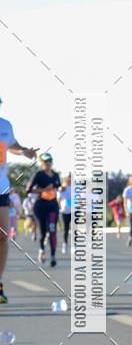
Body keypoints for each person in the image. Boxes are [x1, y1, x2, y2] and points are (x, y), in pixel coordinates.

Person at [0, 112, 37, 302]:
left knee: (3, 235)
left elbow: (11, 145)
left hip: (1, 187)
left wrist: (23, 151)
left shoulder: (5, 125)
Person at [26, 153, 61, 267]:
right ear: (42, 162)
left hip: (53, 206)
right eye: (46, 161)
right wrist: (44, 189)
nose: (48, 163)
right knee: (43, 231)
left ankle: (53, 256)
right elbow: (29, 189)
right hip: (41, 206)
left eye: (50, 161)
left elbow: (58, 187)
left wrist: (61, 188)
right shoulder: (38, 174)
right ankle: (42, 250)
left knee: (52, 230)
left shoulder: (55, 175)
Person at [58, 173, 72, 254]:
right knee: (65, 229)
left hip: (73, 210)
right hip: (64, 210)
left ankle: (75, 245)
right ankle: (65, 244)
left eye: (71, 177)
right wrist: (59, 207)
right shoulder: (62, 188)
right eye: (68, 177)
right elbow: (59, 198)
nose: (69, 179)